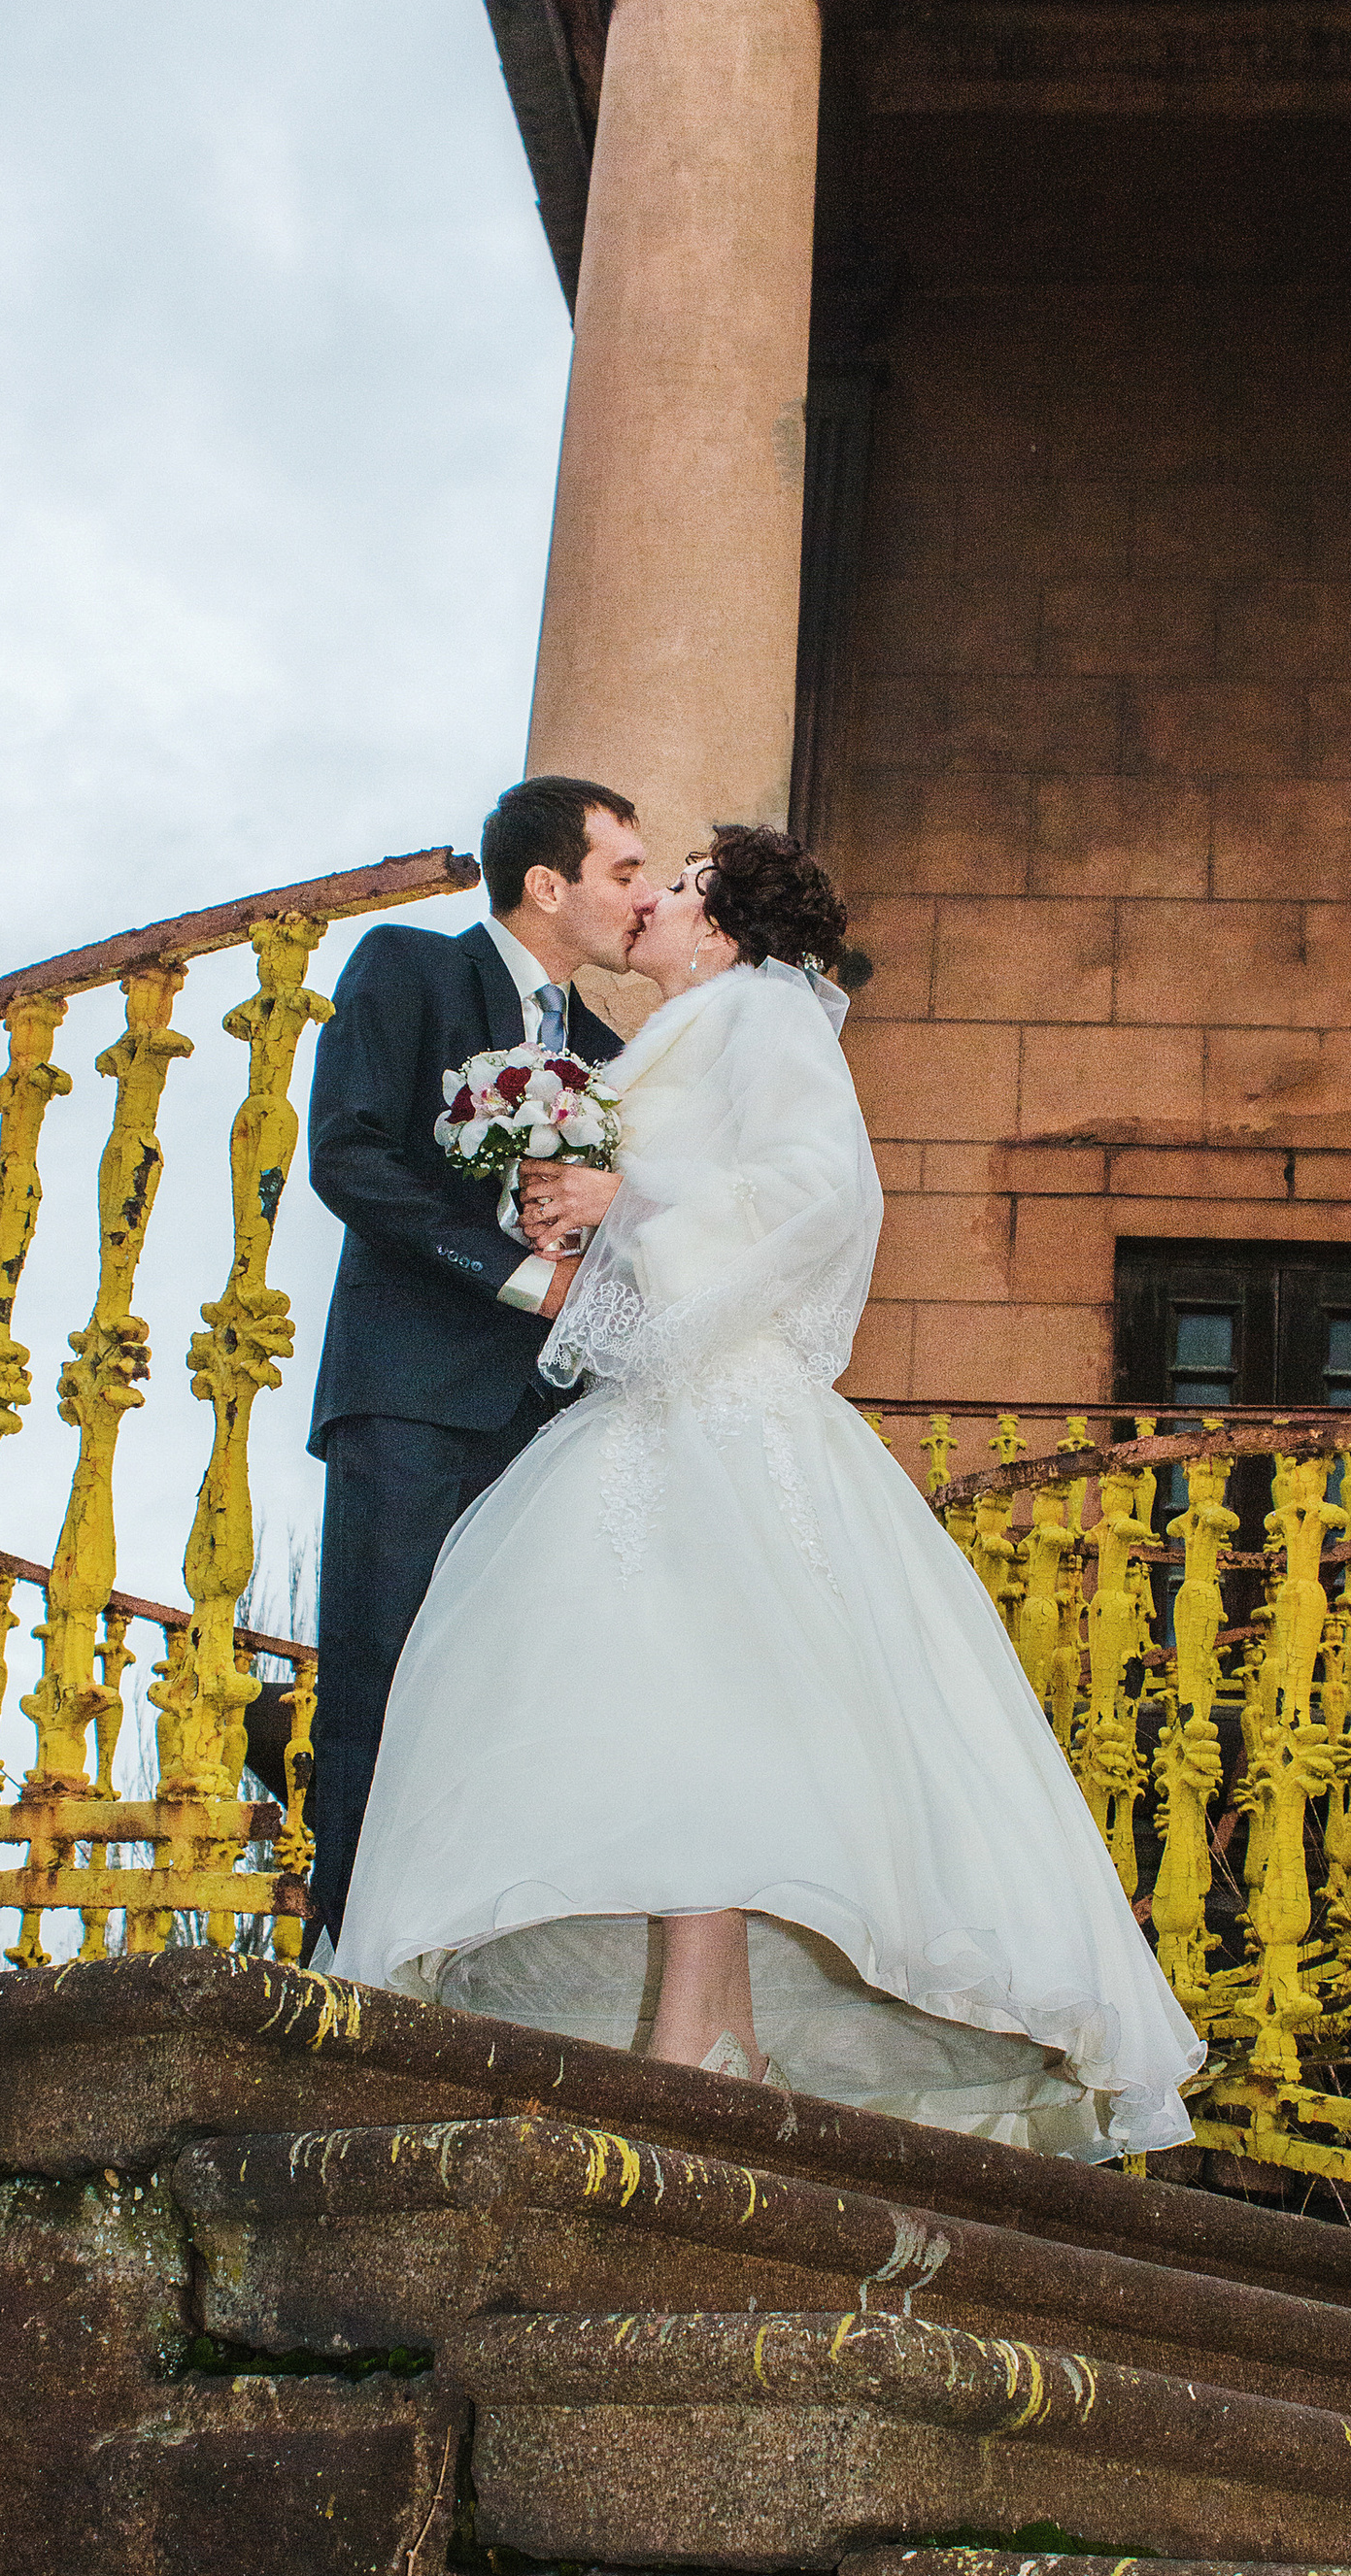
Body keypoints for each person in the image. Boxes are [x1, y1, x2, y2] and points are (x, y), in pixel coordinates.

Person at [334, 824, 1203, 2161]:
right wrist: (580, 1216)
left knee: (721, 1707)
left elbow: (817, 1195)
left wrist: (631, 1193)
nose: (656, 905)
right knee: (675, 1714)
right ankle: (715, 2029)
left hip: (731, 1415)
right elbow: (667, 1227)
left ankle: (698, 2039)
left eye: (679, 887)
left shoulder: (765, 1015)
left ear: (729, 927)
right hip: (651, 1408)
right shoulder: (660, 1041)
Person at [304, 774, 642, 1943]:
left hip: (546, 1420)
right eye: (623, 871)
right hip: (406, 1391)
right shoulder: (407, 968)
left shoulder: (608, 1050)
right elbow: (345, 1157)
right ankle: (346, 1959)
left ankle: (461, 1952)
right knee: (378, 1685)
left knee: (502, 1696)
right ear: (547, 884)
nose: (640, 897)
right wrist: (513, 1271)